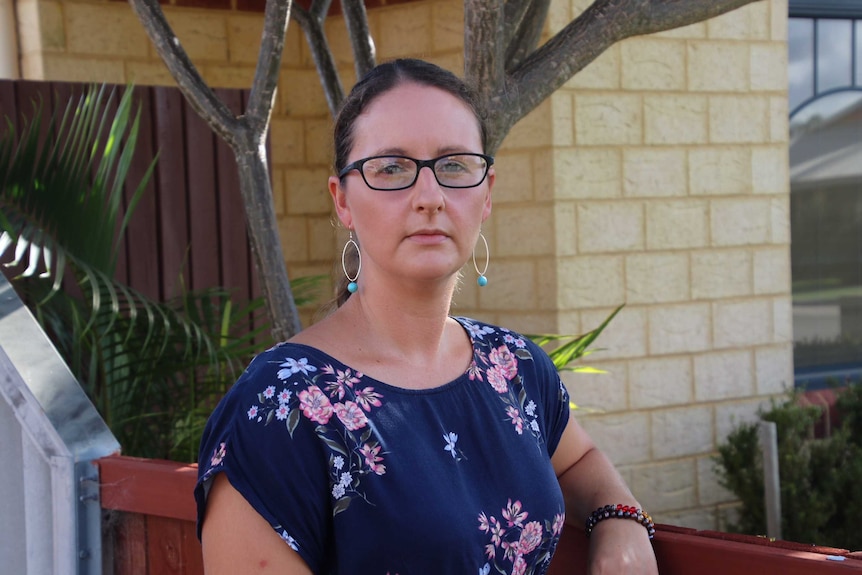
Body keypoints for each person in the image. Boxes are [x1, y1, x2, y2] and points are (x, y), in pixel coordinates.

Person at [195, 58, 659, 575]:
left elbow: (579, 460)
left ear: (486, 194)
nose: (430, 198)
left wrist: (619, 519)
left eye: (455, 165)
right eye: (391, 168)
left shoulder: (515, 368)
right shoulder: (279, 408)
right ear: (342, 200)